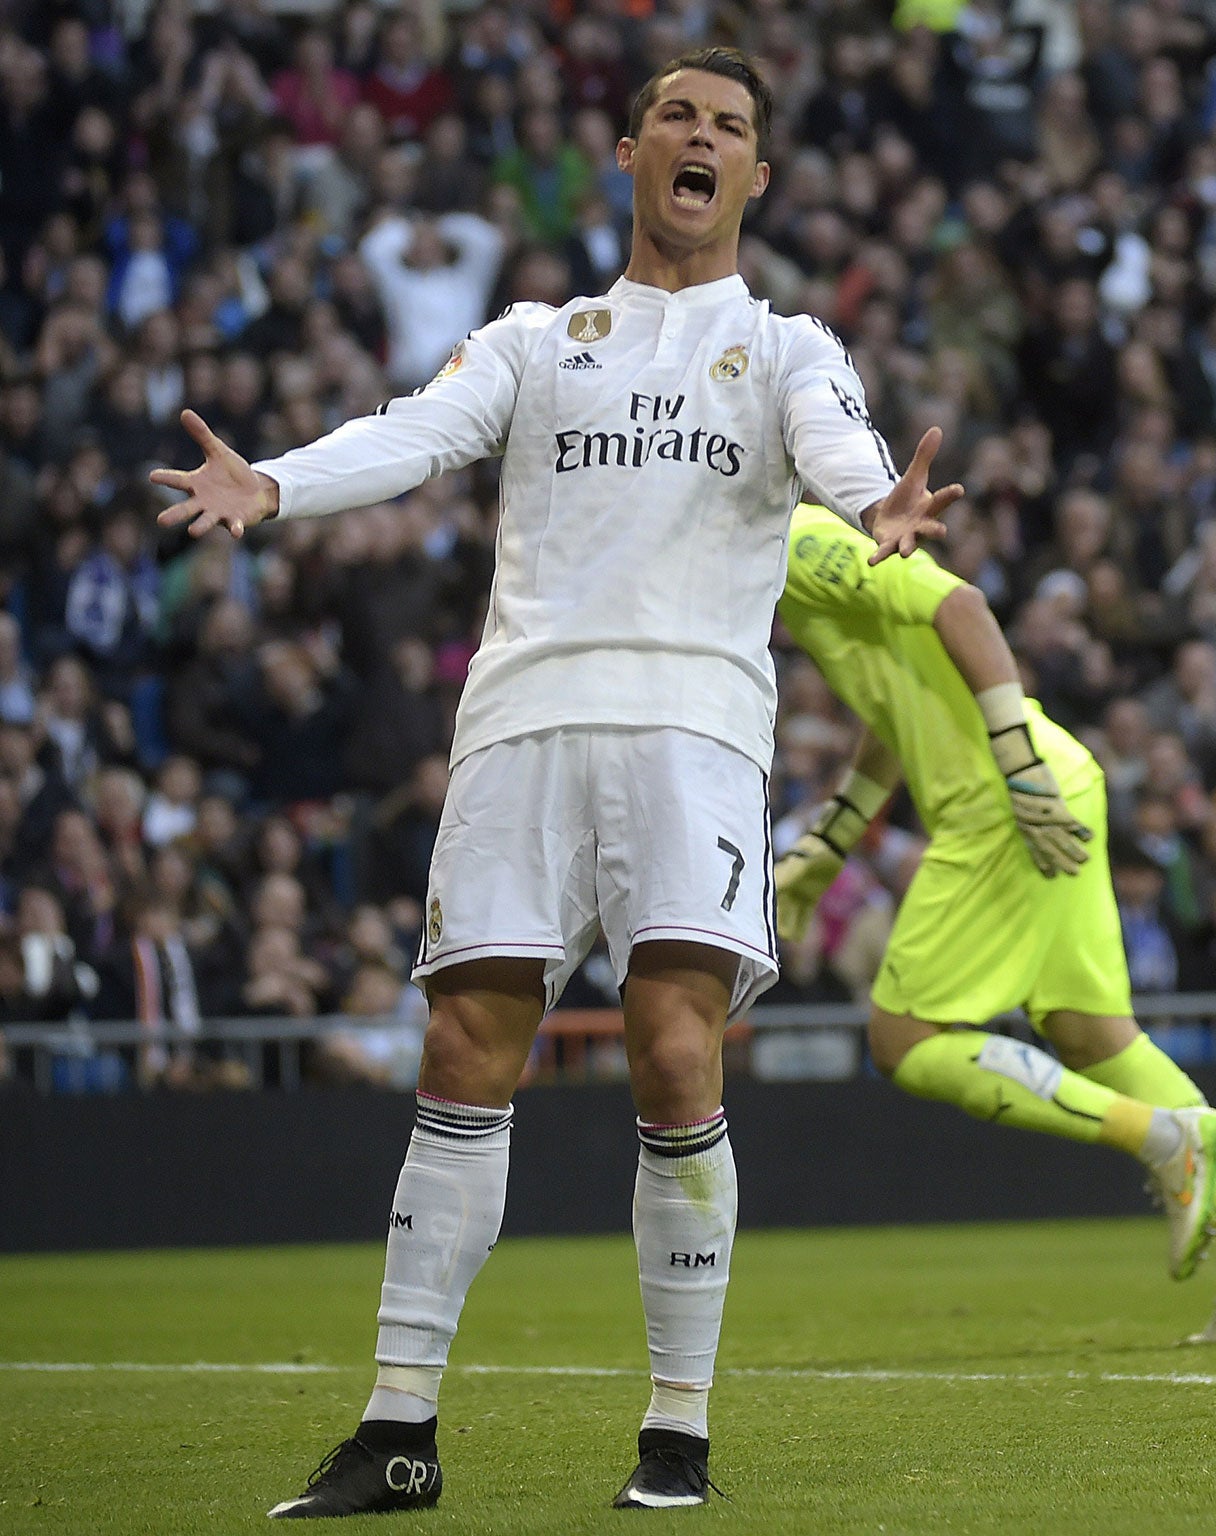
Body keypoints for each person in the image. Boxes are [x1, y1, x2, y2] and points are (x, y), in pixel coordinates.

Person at [151, 48, 958, 1518]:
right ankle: (399, 1431)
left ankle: (678, 1434)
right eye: (677, 118)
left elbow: (842, 448)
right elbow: (410, 433)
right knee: (466, 1050)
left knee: (673, 1049)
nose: (700, 139)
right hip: (521, 721)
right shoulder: (536, 337)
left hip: (692, 731)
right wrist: (273, 479)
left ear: (756, 178)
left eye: (728, 128)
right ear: (631, 151)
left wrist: (875, 500)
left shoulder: (784, 346)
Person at [773, 503, 1216, 1343]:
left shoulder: (793, 538)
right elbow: (898, 699)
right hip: (1056, 776)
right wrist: (834, 836)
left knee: (903, 1038)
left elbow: (961, 609)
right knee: (1093, 1033)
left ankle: (1160, 1138)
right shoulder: (776, 559)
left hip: (1002, 800)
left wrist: (1017, 770)